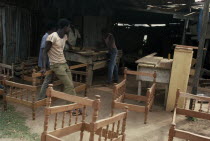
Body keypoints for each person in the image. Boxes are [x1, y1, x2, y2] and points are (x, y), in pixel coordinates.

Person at [42, 19, 77, 102]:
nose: (69, 29)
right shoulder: (52, 37)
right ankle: (70, 105)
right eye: (68, 27)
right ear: (65, 27)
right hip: (56, 65)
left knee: (70, 85)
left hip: (63, 63)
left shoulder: (64, 37)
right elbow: (44, 51)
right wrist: (43, 67)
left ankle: (72, 103)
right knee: (69, 85)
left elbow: (62, 49)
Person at [38, 22, 56, 100]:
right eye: (55, 29)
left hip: (49, 62)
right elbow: (43, 52)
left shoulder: (49, 36)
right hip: (46, 63)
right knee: (47, 80)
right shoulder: (46, 37)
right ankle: (41, 98)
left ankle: (47, 94)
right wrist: (43, 66)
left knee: (50, 79)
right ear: (52, 29)